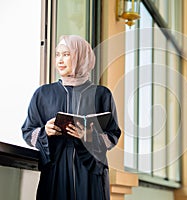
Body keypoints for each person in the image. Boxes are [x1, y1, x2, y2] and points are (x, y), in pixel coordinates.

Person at [22, 35, 121, 200]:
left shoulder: (101, 94)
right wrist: (45, 132)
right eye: (57, 54)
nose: (60, 60)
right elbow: (28, 132)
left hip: (90, 172)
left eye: (66, 54)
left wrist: (89, 136)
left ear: (81, 57)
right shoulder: (43, 94)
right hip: (55, 170)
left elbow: (113, 135)